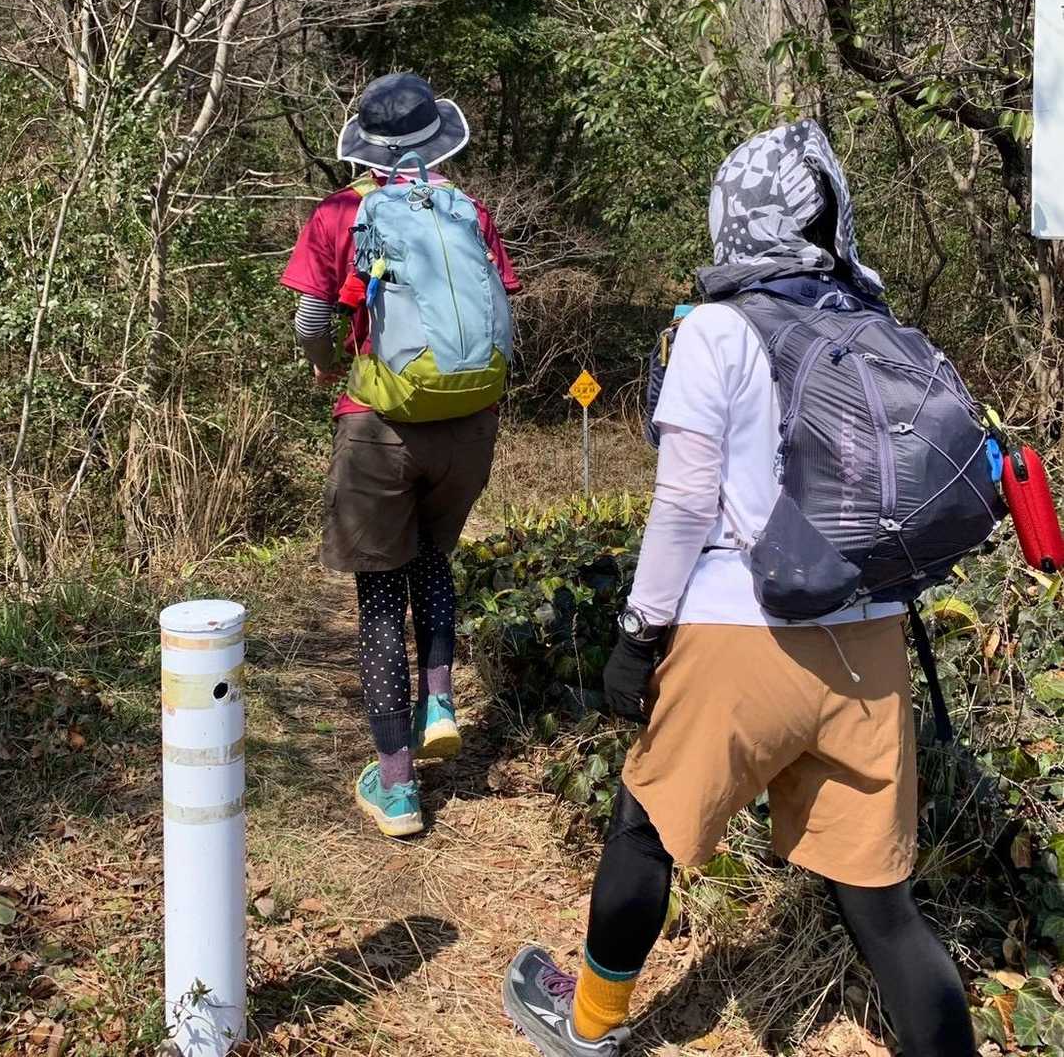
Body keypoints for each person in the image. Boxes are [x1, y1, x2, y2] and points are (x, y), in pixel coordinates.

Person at [504, 120, 976, 1057]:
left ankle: (587, 1021)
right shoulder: (875, 325)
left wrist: (638, 634)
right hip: (869, 644)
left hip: (740, 633)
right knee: (881, 906)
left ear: (732, 216)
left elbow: (684, 502)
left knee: (644, 826)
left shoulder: (715, 328)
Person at [281, 72, 520, 838]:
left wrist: (325, 364)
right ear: (435, 136)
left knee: (381, 594)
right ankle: (439, 700)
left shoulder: (339, 213)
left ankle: (396, 787)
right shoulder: (466, 210)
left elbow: (311, 318)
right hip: (467, 426)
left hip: (380, 421)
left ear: (365, 144)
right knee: (432, 560)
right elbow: (497, 308)